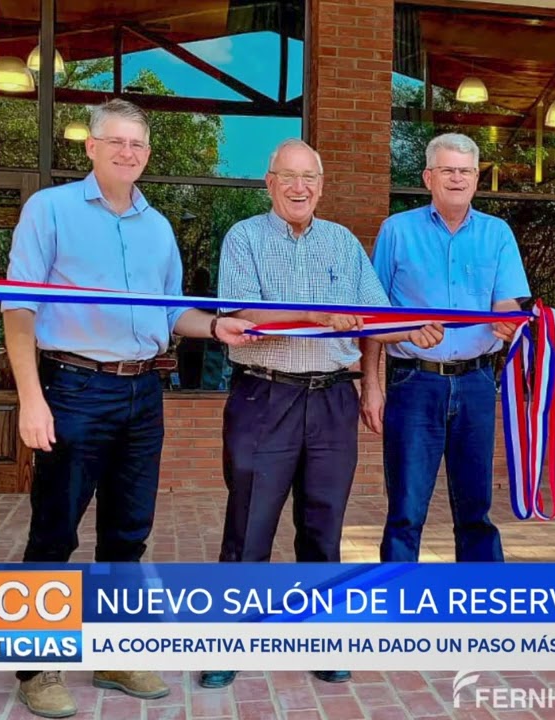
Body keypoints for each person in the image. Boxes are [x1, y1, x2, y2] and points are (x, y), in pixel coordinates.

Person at [1, 98, 257, 719]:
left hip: (144, 393)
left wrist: (218, 328)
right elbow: (17, 309)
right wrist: (31, 400)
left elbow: (173, 313)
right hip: (73, 388)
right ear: (90, 147)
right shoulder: (50, 210)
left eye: (137, 145)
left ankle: (114, 654)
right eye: (115, 142)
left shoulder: (157, 227)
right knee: (54, 531)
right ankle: (37, 670)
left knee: (128, 533)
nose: (127, 153)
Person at [199, 139, 444, 690]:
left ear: (322, 185)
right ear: (269, 182)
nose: (299, 187)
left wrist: (411, 329)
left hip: (333, 397)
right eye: (288, 176)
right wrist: (314, 313)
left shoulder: (342, 243)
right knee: (249, 525)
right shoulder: (245, 238)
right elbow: (241, 312)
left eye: (309, 178)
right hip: (266, 397)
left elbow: (373, 316)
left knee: (324, 525)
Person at [360, 132, 529, 563]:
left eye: (466, 171)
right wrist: (371, 385)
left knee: (476, 508)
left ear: (477, 178)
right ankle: (396, 604)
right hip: (413, 382)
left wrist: (510, 321)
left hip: (475, 381)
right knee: (405, 510)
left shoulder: (498, 234)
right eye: (448, 170)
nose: (457, 178)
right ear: (428, 177)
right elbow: (373, 314)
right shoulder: (397, 230)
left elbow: (507, 301)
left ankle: (481, 607)